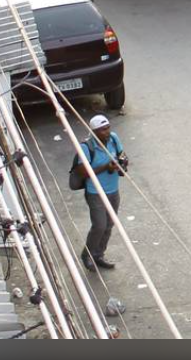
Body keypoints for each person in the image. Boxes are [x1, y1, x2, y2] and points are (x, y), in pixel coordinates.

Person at [75, 114, 127, 271]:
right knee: (99, 225)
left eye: (108, 127)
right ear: (94, 132)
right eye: (103, 130)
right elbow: (83, 172)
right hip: (95, 193)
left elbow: (121, 154)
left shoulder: (113, 138)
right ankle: (87, 255)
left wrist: (122, 162)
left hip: (113, 190)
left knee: (109, 225)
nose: (107, 131)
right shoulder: (86, 147)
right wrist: (107, 167)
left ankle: (99, 254)